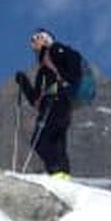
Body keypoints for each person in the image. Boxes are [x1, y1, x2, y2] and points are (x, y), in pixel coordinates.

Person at [14, 28, 78, 180]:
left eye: (35, 38)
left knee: (40, 140)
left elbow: (71, 69)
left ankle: (56, 173)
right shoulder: (43, 69)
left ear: (45, 38)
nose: (32, 43)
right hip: (59, 104)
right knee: (57, 143)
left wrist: (61, 88)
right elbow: (35, 100)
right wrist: (24, 83)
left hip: (56, 102)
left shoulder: (55, 50)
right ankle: (63, 176)